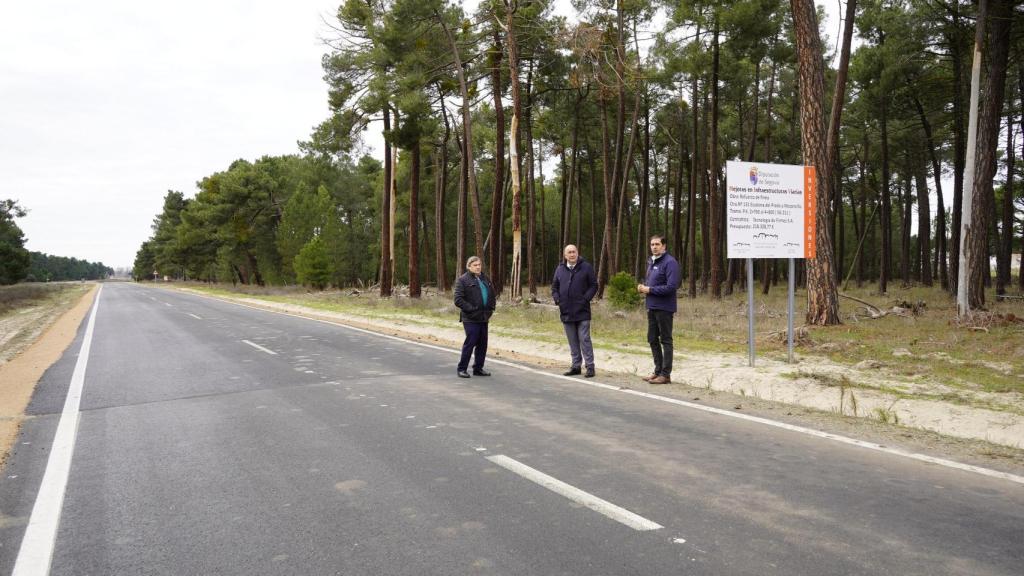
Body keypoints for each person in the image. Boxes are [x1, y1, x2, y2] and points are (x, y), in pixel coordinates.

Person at [637, 234, 680, 384]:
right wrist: (643, 287)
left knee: (666, 340)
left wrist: (649, 289)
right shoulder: (651, 261)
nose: (654, 247)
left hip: (665, 308)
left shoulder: (670, 262)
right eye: (652, 244)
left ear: (664, 246)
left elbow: (671, 287)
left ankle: (665, 374)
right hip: (652, 307)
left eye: (657, 244)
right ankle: (657, 371)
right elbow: (653, 282)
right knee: (652, 338)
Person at [551, 244, 598, 378]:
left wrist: (585, 299)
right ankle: (576, 366)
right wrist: (557, 300)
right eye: (569, 252)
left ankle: (590, 366)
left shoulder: (586, 267)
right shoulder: (560, 269)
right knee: (572, 340)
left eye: (574, 252)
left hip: (582, 310)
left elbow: (594, 285)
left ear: (577, 253)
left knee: (584, 338)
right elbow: (554, 287)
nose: (572, 254)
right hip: (566, 310)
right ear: (565, 255)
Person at [453, 256, 496, 378]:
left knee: (483, 344)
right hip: (471, 318)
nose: (478, 267)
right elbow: (458, 300)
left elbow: (492, 294)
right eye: (475, 265)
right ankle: (462, 369)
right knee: (470, 343)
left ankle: (478, 368)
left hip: (484, 317)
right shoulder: (463, 280)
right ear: (469, 266)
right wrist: (472, 309)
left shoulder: (485, 278)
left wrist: (491, 309)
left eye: (479, 265)